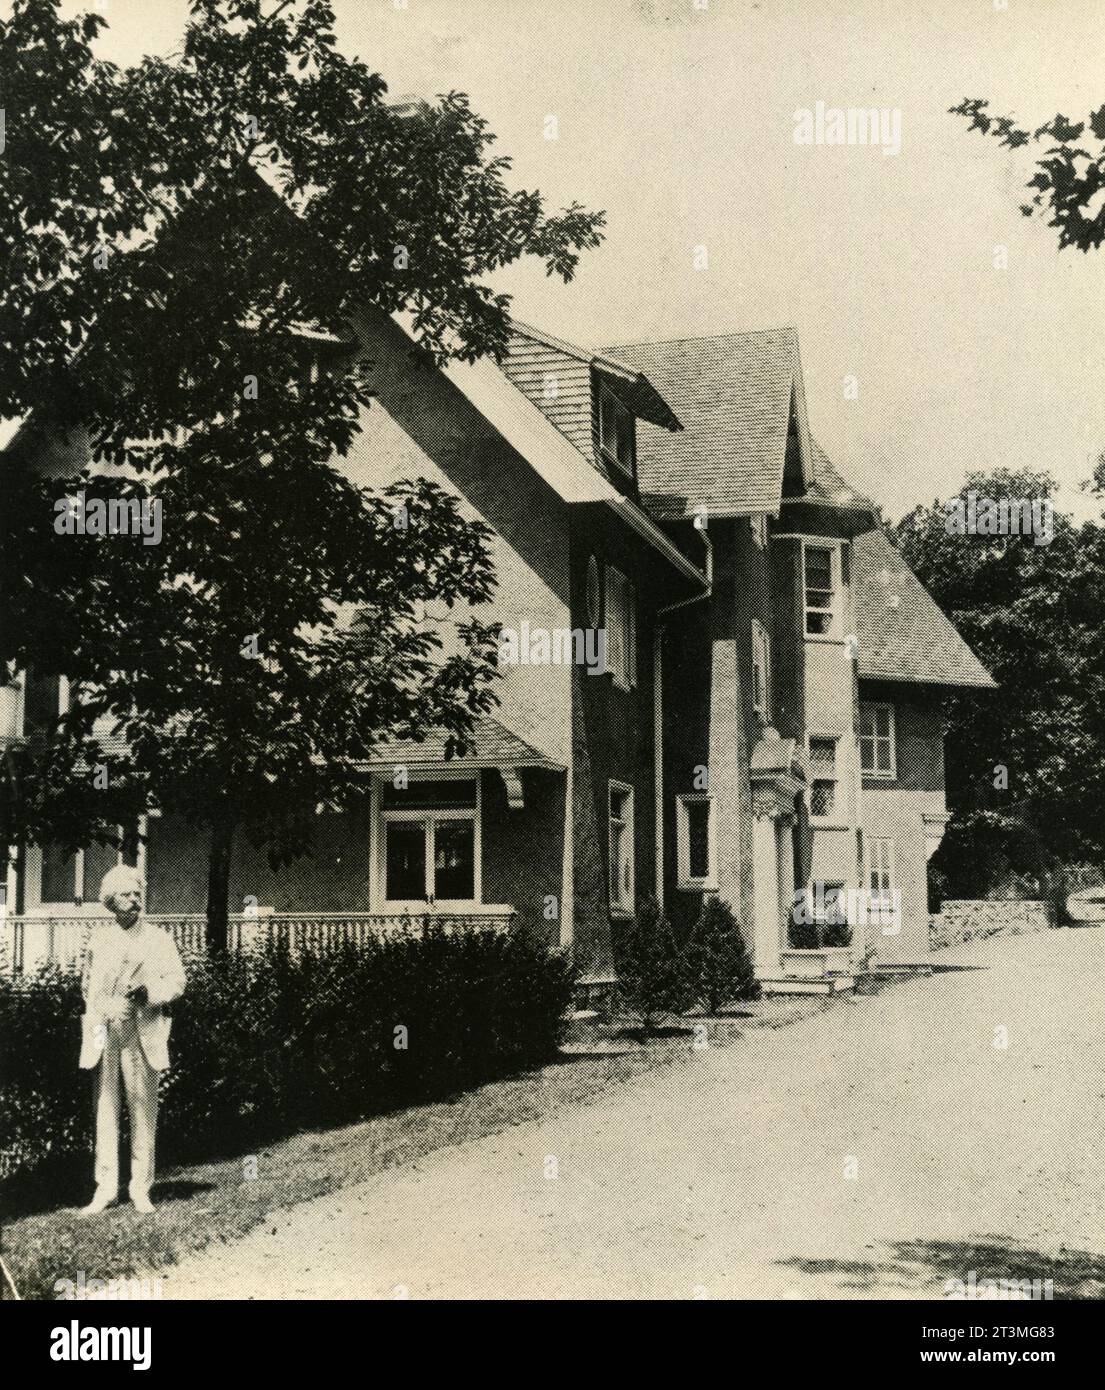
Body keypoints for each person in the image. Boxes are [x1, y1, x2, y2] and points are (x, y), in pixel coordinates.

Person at [78, 864, 186, 1215]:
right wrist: (105, 1008)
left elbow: (177, 982)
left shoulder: (158, 939)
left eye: (138, 893)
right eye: (127, 894)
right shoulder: (99, 939)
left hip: (143, 1033)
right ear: (111, 901)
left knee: (142, 1110)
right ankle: (105, 1189)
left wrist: (148, 993)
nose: (135, 900)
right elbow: (87, 988)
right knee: (105, 1111)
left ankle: (140, 1189)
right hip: (106, 1033)